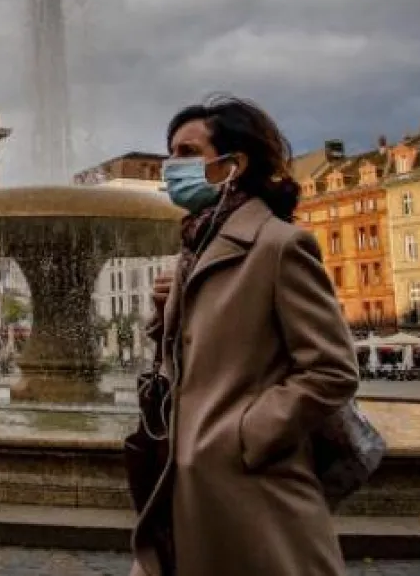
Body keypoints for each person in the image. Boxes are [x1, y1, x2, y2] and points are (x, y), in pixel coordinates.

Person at [130, 97, 359, 576]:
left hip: (252, 492)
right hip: (186, 483)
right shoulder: (197, 245)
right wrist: (164, 316)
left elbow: (331, 370)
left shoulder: (279, 245)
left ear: (233, 163)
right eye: (170, 153)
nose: (172, 167)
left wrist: (244, 435)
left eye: (187, 152)